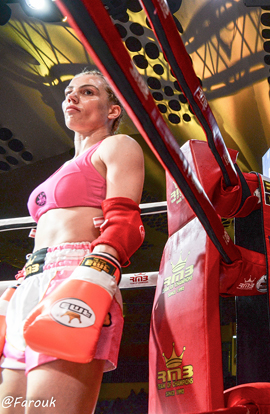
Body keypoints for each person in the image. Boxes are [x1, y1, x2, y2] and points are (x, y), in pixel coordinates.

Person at [0, 69, 145, 413]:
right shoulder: (62, 168)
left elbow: (124, 221)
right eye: (69, 91)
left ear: (113, 110)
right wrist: (13, 293)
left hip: (77, 277)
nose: (71, 97)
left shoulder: (117, 145)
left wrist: (95, 273)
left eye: (88, 91)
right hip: (31, 284)